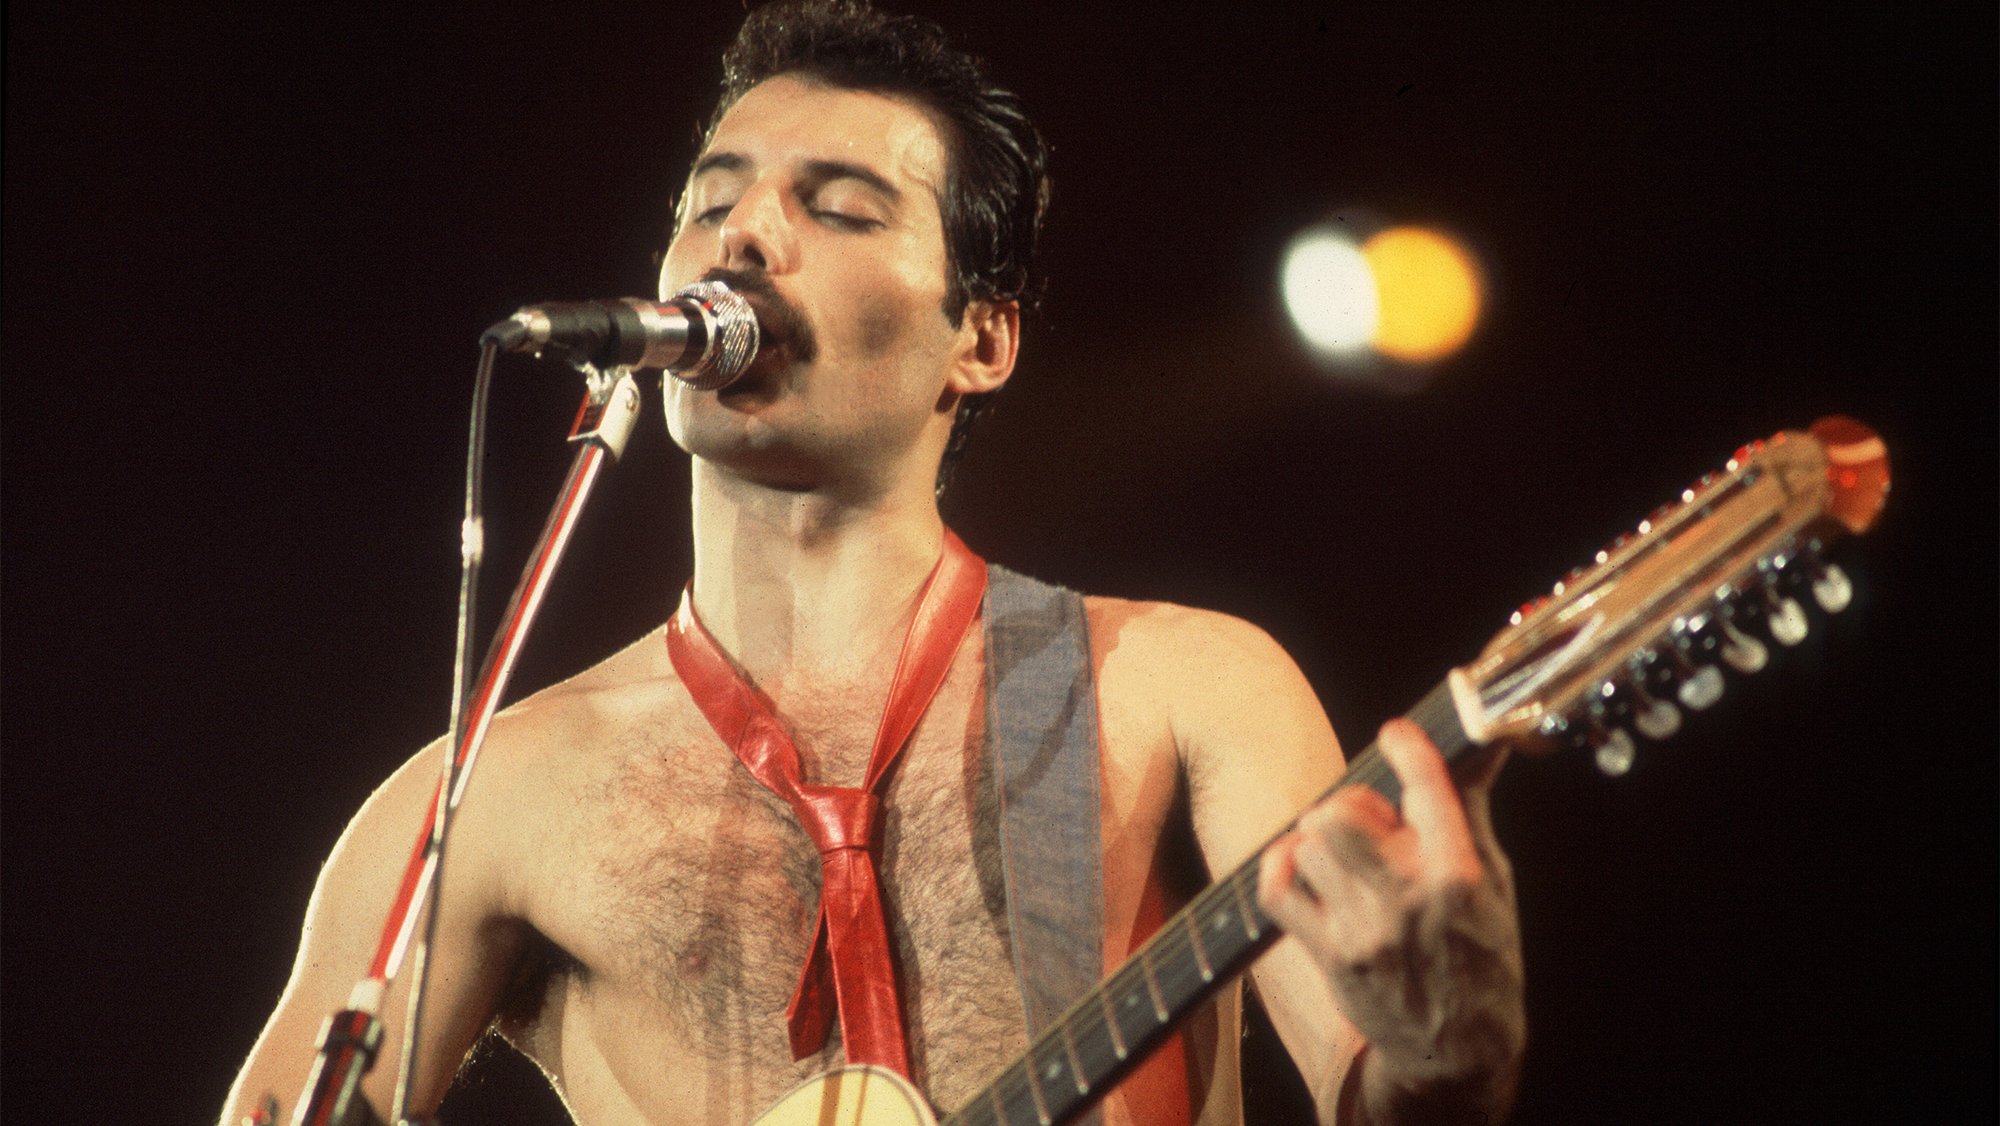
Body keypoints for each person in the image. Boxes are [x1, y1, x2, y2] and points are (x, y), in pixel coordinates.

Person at [223, 3, 1525, 1124]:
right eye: (712, 200)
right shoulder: (486, 798)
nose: (746, 237)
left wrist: (1441, 1047)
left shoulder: (1187, 689)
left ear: (984, 338)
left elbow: (1398, 1092)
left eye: (840, 207)